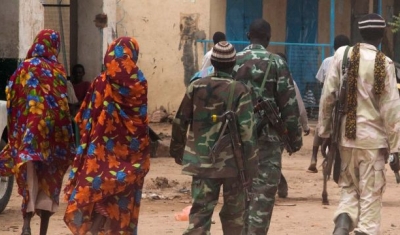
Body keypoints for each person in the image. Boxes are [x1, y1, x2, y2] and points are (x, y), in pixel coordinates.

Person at [318, 13, 400, 235]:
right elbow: (391, 110)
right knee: (370, 199)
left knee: (348, 192)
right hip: (373, 144)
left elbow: (328, 97)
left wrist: (324, 133)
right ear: (383, 35)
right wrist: (396, 149)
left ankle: (341, 229)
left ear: (359, 33)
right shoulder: (385, 63)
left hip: (345, 139)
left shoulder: (342, 55)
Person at [64, 37, 150, 234]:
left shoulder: (100, 82)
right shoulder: (140, 82)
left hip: (101, 156)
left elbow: (85, 116)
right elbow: (141, 120)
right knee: (123, 204)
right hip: (133, 157)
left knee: (99, 195)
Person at [170, 41, 256, 235]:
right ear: (233, 63)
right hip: (233, 166)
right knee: (234, 218)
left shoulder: (195, 86)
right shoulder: (240, 90)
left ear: (213, 62)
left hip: (201, 163)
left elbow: (179, 122)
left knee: (200, 215)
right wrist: (251, 164)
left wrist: (177, 150)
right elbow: (247, 133)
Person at [0, 29, 75, 235]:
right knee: (49, 180)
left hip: (29, 134)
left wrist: (18, 129)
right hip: (53, 136)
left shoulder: (24, 68)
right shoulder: (58, 70)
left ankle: (26, 225)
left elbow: (11, 96)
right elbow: (64, 105)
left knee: (29, 178)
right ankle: (43, 230)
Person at [233, 19, 303, 234]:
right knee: (263, 193)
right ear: (268, 38)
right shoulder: (276, 63)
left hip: (236, 138)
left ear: (247, 36)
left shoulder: (233, 61)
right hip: (267, 139)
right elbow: (289, 104)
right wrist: (295, 139)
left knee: (239, 191)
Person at [307, 34, 350, 173]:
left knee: (321, 125)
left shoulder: (327, 61)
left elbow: (321, 82)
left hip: (328, 100)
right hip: (344, 103)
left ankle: (313, 157)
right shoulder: (351, 60)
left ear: (334, 47)